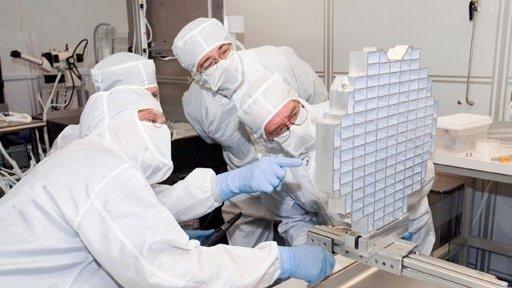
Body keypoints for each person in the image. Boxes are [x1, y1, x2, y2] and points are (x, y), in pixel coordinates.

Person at [0, 85, 336, 287]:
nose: (163, 130)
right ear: (114, 121)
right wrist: (280, 260)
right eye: (151, 119)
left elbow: (149, 204)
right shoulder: (101, 167)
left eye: (164, 122)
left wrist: (225, 185)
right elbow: (170, 272)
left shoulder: (87, 159)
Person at [237, 73, 436, 254]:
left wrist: (383, 193)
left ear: (300, 102)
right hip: (348, 245)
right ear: (265, 140)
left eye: (294, 114)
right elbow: (294, 219)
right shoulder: (275, 167)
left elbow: (423, 171)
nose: (294, 128)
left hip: (408, 232)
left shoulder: (352, 114)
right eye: (279, 129)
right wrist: (311, 248)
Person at [173, 17, 327, 247]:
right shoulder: (196, 105)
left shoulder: (278, 60)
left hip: (298, 172)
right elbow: (210, 138)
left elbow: (318, 103)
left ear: (231, 43)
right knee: (249, 262)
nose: (220, 63)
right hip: (245, 186)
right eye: (207, 63)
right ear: (195, 73)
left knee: (322, 227)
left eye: (223, 51)